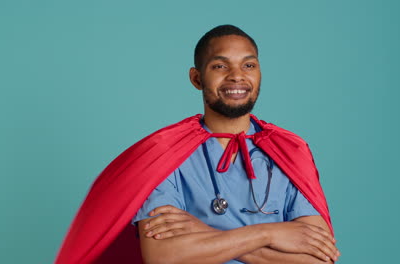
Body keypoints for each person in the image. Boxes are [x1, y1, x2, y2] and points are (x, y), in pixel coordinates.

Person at [55, 25, 339, 264]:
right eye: (219, 65)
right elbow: (162, 255)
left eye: (248, 65)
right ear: (196, 78)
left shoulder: (289, 150)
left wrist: (205, 233)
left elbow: (320, 259)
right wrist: (269, 234)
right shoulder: (166, 153)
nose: (237, 75)